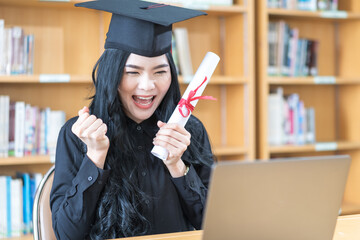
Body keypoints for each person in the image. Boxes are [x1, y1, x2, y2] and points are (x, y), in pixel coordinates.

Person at [50, 0, 215, 239]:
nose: (148, 86)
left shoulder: (190, 131)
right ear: (112, 74)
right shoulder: (76, 134)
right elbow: (66, 234)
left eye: (160, 71)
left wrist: (178, 166)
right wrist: (95, 156)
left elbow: (211, 223)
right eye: (132, 72)